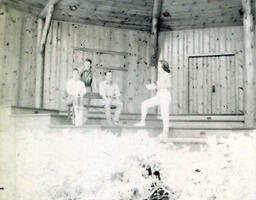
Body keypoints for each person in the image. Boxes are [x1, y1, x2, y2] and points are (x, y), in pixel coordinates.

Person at [134, 60, 171, 137]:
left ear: (164, 67)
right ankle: (142, 122)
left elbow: (168, 85)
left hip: (165, 96)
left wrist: (156, 86)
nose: (158, 68)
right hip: (159, 96)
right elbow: (156, 85)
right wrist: (148, 87)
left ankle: (165, 133)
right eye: (158, 67)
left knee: (165, 114)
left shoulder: (167, 75)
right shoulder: (160, 76)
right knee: (144, 104)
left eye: (160, 67)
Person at [79, 59, 97, 123]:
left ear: (90, 65)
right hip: (81, 88)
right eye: (86, 64)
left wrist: (95, 91)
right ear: (84, 64)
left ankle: (84, 120)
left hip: (88, 88)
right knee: (80, 104)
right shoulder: (81, 71)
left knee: (86, 105)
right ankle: (79, 119)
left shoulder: (92, 72)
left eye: (88, 64)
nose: (87, 65)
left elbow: (94, 82)